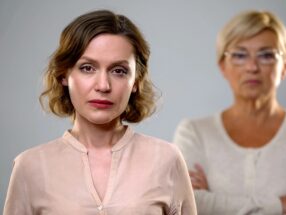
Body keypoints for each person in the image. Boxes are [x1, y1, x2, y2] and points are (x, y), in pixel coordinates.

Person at [4, 9, 196, 215]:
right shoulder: (30, 167)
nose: (103, 86)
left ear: (136, 82)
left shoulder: (166, 159)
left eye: (118, 71)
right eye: (87, 68)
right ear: (64, 75)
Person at [173, 10, 286, 215]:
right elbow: (187, 206)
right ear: (223, 65)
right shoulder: (193, 133)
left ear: (285, 65)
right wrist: (284, 203)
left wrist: (213, 203)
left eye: (266, 55)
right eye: (240, 55)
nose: (252, 67)